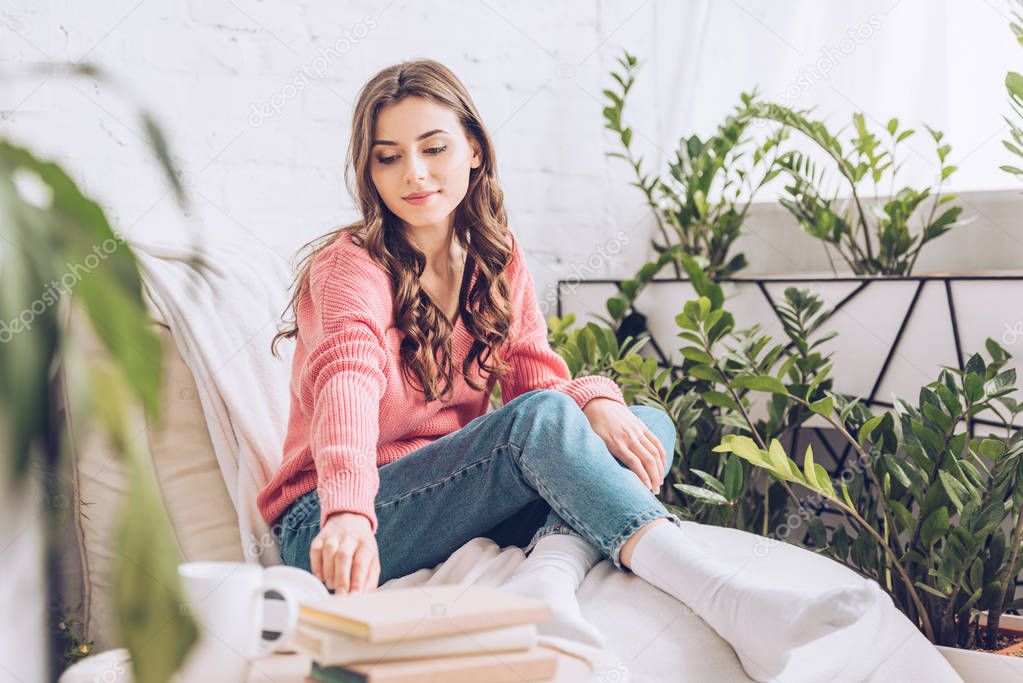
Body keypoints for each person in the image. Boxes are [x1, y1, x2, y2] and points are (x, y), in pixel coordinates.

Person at [257, 59, 877, 679]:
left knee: (644, 425)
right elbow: (347, 385)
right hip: (338, 524)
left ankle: (548, 579)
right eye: (387, 157)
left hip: (449, 502)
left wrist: (598, 403)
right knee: (550, 423)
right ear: (369, 171)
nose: (413, 174)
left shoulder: (494, 255)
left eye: (434, 148)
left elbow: (537, 377)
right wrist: (344, 514)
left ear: (474, 150)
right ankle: (723, 596)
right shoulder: (351, 268)